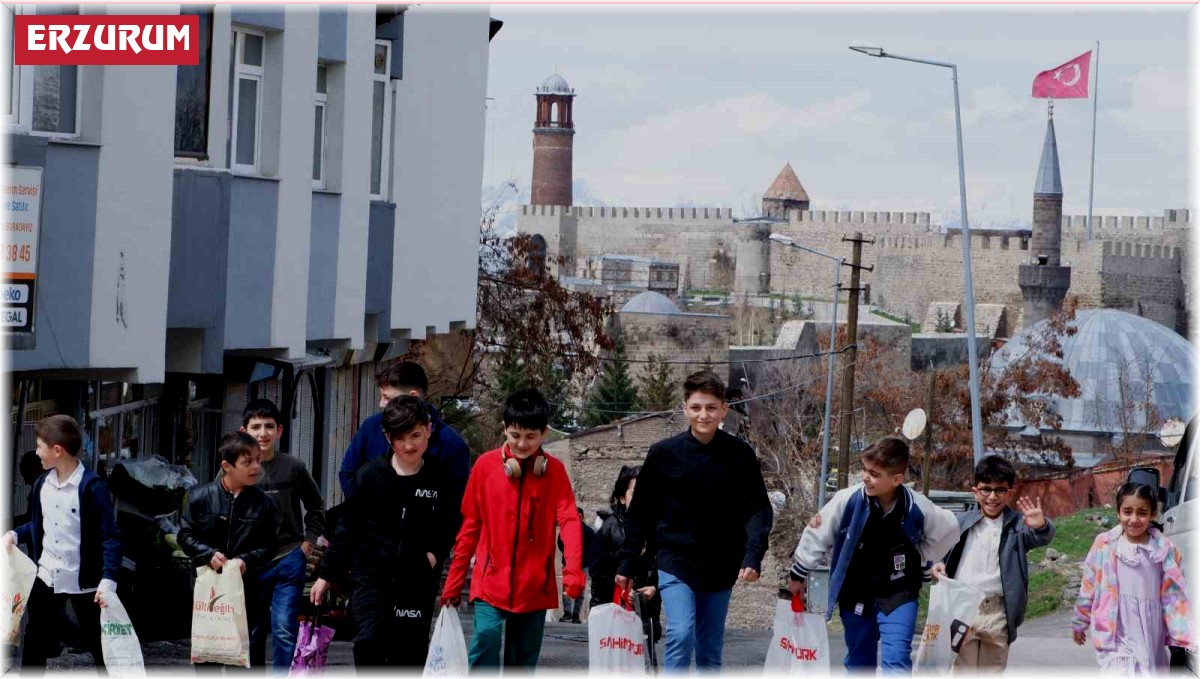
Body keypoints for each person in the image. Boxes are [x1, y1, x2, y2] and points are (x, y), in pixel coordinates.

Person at [616, 371, 774, 671]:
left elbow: (758, 509)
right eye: (697, 407)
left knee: (710, 645)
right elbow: (640, 513)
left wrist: (753, 554)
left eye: (711, 407)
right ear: (685, 408)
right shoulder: (664, 454)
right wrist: (627, 563)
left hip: (721, 562)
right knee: (681, 633)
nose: (704, 415)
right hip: (675, 558)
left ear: (723, 409)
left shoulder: (739, 455)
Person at [440, 388, 585, 670]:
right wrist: (454, 582)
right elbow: (469, 527)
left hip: (535, 585)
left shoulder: (554, 472)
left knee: (522, 664)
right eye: (515, 435)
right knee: (485, 638)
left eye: (531, 436)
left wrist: (573, 571)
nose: (522, 444)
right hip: (490, 582)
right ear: (504, 428)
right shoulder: (484, 467)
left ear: (544, 433)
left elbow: (569, 521)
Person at [788, 436, 959, 675]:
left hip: (899, 592)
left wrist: (924, 560)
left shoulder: (917, 506)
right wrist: (798, 573)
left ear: (897, 479)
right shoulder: (848, 500)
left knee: (897, 659)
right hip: (856, 591)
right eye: (865, 469)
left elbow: (949, 530)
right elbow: (818, 533)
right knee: (860, 662)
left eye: (874, 474)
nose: (865, 477)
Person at [310, 396, 460, 667]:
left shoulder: (441, 478)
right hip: (371, 578)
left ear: (428, 429)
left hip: (416, 580)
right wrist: (326, 575)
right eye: (400, 438)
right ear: (387, 436)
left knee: (409, 652)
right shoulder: (369, 476)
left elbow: (450, 523)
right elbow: (347, 529)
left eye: (415, 435)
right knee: (369, 642)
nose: (409, 445)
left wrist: (433, 554)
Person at [3, 415, 122, 674]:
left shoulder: (92, 487)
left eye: (39, 447)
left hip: (85, 581)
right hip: (47, 576)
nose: (37, 453)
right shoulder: (41, 485)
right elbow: (40, 524)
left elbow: (110, 537)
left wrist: (108, 578)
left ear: (57, 450)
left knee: (100, 644)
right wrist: (15, 535)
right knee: (35, 640)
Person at [930, 455, 1056, 673]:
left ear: (1009, 493)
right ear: (975, 491)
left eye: (1000, 490)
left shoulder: (1017, 525)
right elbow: (939, 551)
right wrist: (938, 564)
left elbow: (1041, 537)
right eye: (985, 489)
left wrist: (1041, 525)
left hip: (997, 612)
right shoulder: (960, 522)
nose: (992, 496)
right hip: (962, 608)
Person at [237, 399, 325, 673]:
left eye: (269, 426)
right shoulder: (235, 467)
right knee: (252, 632)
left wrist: (307, 544)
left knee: (285, 630)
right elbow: (218, 507)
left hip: (288, 558)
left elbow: (316, 505)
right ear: (244, 431)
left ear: (279, 431)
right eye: (256, 427)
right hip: (249, 563)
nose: (262, 433)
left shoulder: (293, 467)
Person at [178, 432, 278, 670]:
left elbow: (270, 546)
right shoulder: (200, 497)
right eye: (247, 462)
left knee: (244, 659)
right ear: (226, 466)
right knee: (208, 658)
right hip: (209, 592)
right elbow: (185, 535)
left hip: (248, 593)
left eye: (258, 460)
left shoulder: (265, 505)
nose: (255, 467)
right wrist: (208, 554)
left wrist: (246, 560)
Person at [1072, 482, 1194, 675]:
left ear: (1152, 514)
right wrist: (1080, 622)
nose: (1134, 519)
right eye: (1127, 512)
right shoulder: (1104, 545)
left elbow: (1174, 598)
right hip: (1115, 627)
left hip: (1150, 629)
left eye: (1142, 513)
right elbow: (1088, 586)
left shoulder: (1163, 551)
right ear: (1118, 512)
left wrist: (1180, 637)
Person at [338, 361, 470, 498]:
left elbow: (460, 497)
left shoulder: (452, 444)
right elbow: (348, 473)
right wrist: (363, 506)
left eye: (387, 398)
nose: (381, 404)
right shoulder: (371, 426)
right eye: (398, 437)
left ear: (413, 396)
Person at [589, 465, 662, 644]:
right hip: (612, 611)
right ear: (622, 497)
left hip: (646, 612)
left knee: (643, 657)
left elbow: (663, 566)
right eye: (635, 493)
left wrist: (654, 588)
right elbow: (597, 573)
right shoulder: (608, 529)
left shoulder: (660, 530)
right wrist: (623, 589)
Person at [559, 507, 594, 623]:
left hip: (583, 564)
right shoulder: (566, 530)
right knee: (566, 587)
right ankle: (567, 613)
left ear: (583, 517)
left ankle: (576, 614)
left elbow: (593, 546)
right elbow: (560, 543)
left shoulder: (589, 532)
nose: (578, 519)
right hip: (569, 562)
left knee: (581, 589)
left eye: (580, 517)